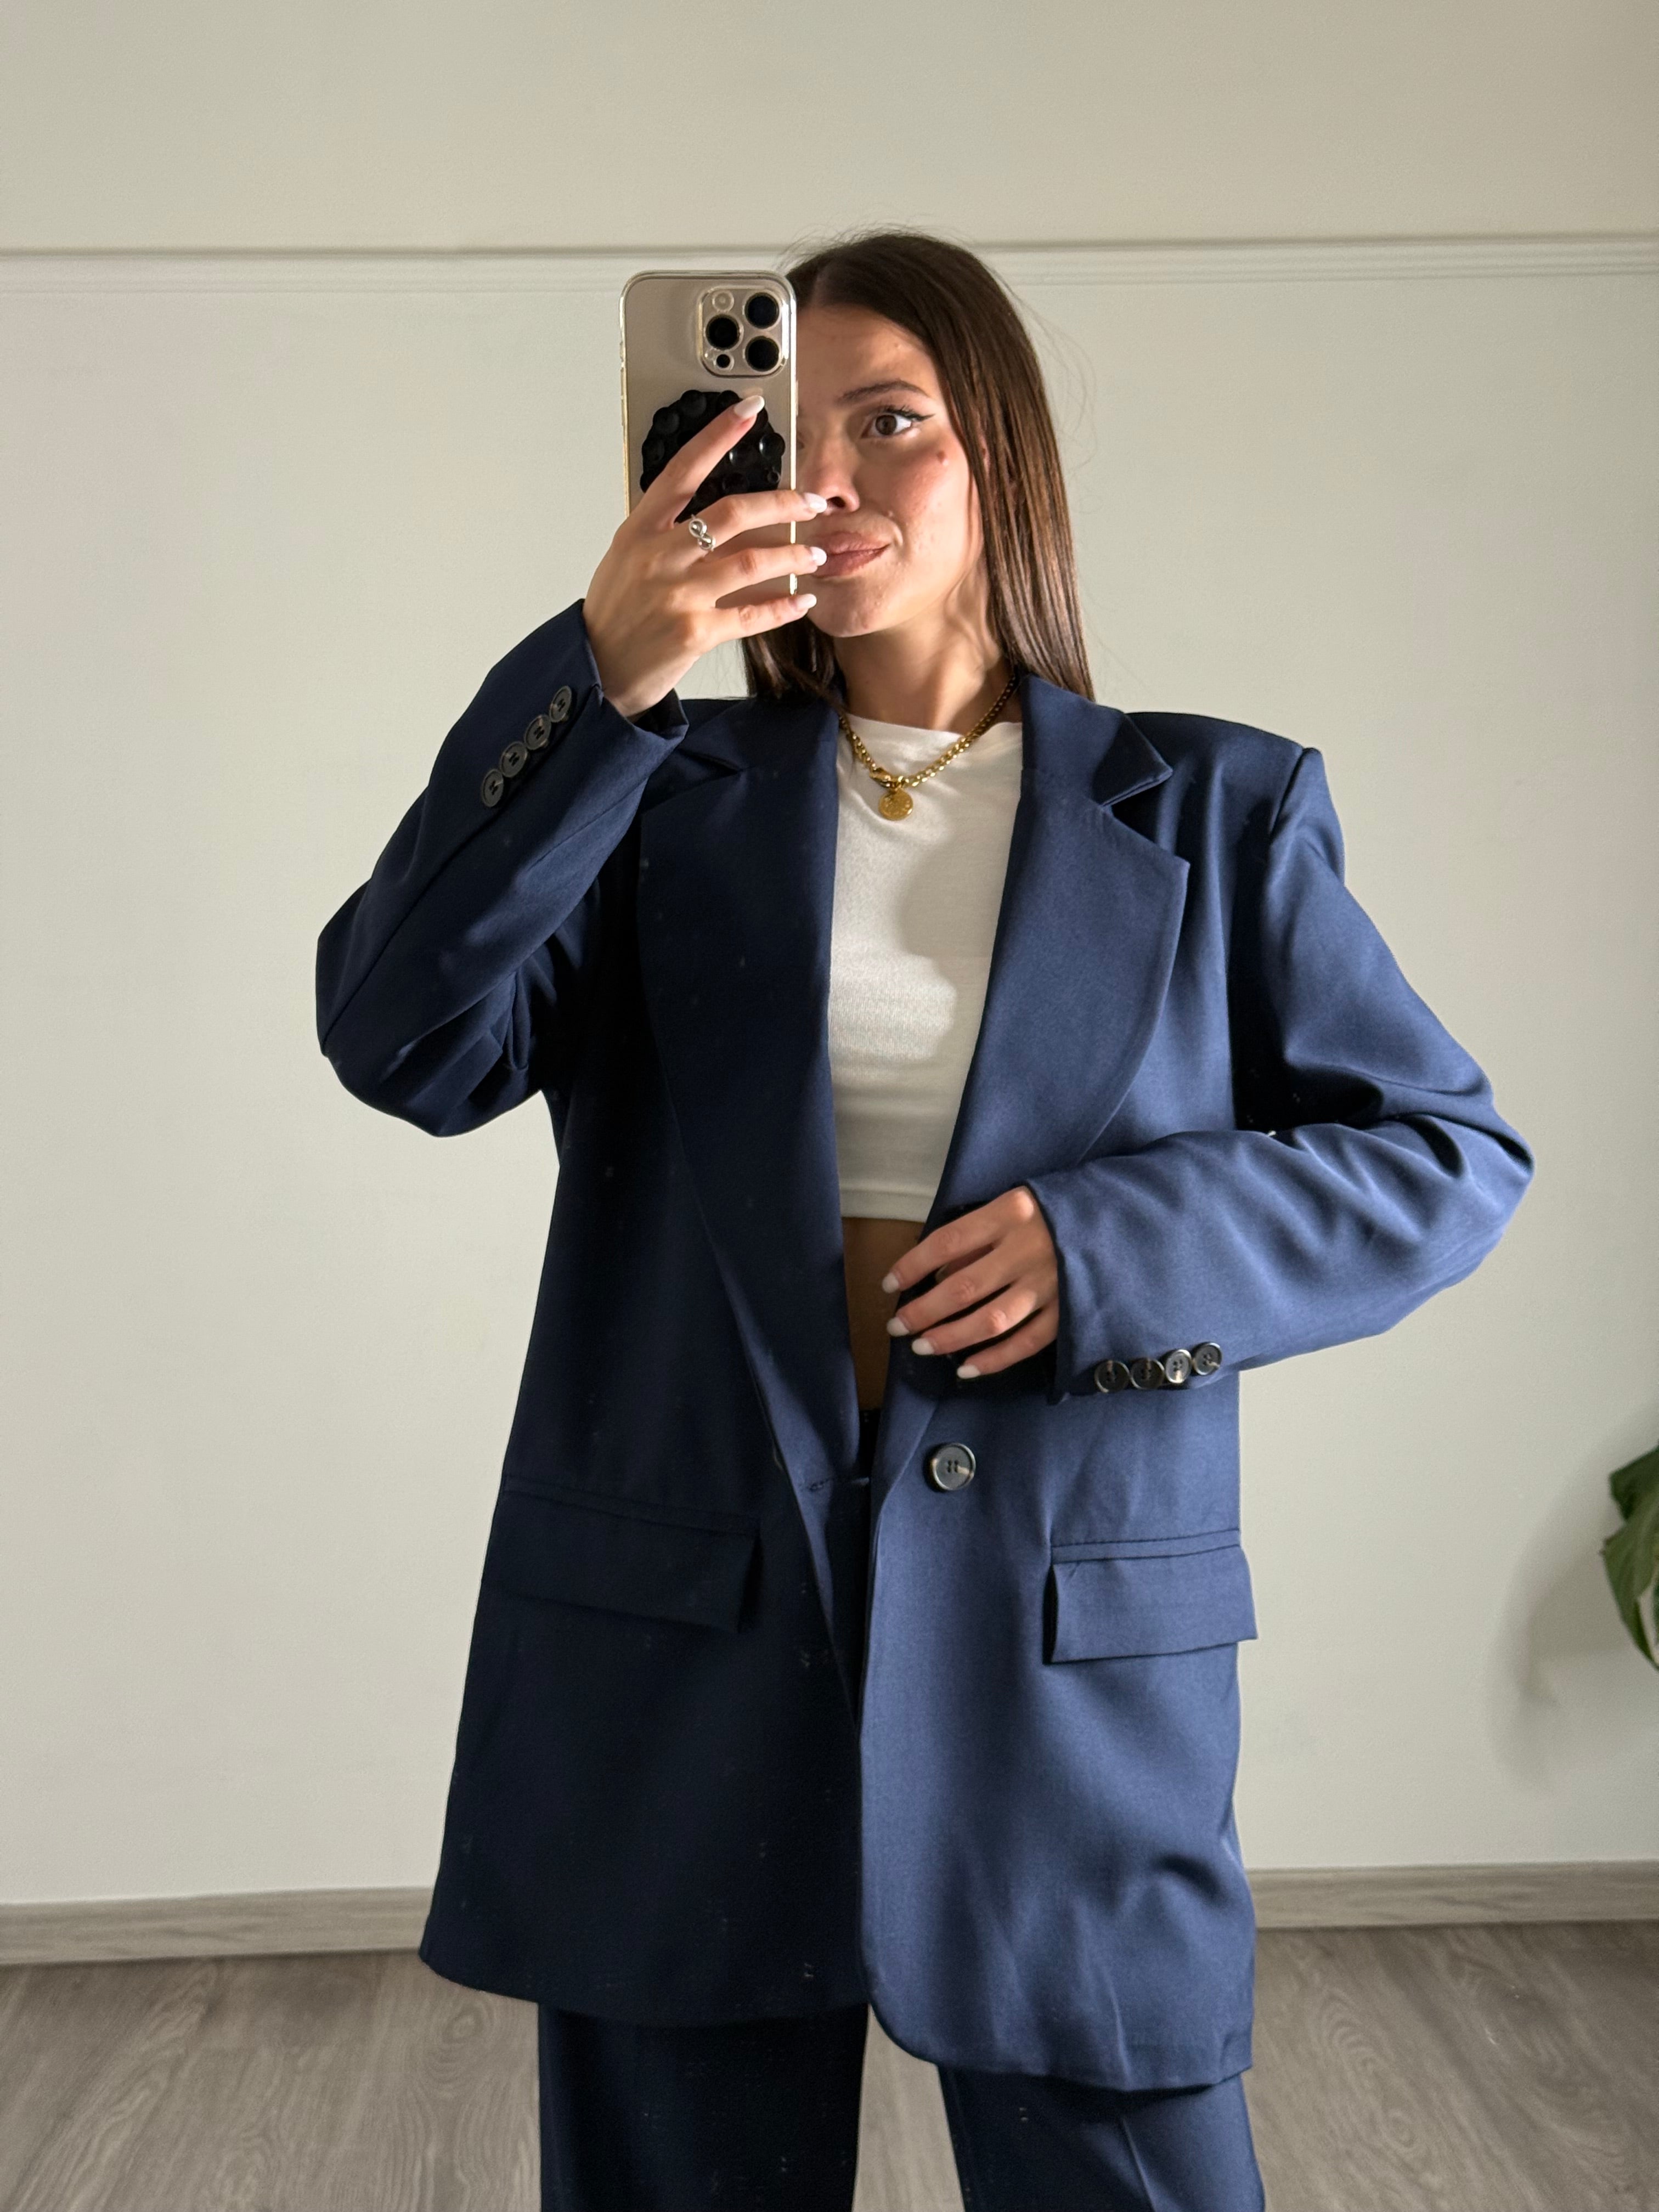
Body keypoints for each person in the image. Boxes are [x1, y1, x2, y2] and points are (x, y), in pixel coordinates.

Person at [315, 230, 1532, 2212]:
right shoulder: (650, 796)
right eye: (786, 430)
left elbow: (1446, 1158)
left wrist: (1110, 1250)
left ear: (1003, 460)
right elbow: (398, 1037)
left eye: (893, 423)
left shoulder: (1214, 811)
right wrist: (601, 679)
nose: (836, 476)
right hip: (687, 1646)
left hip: (1066, 1672)